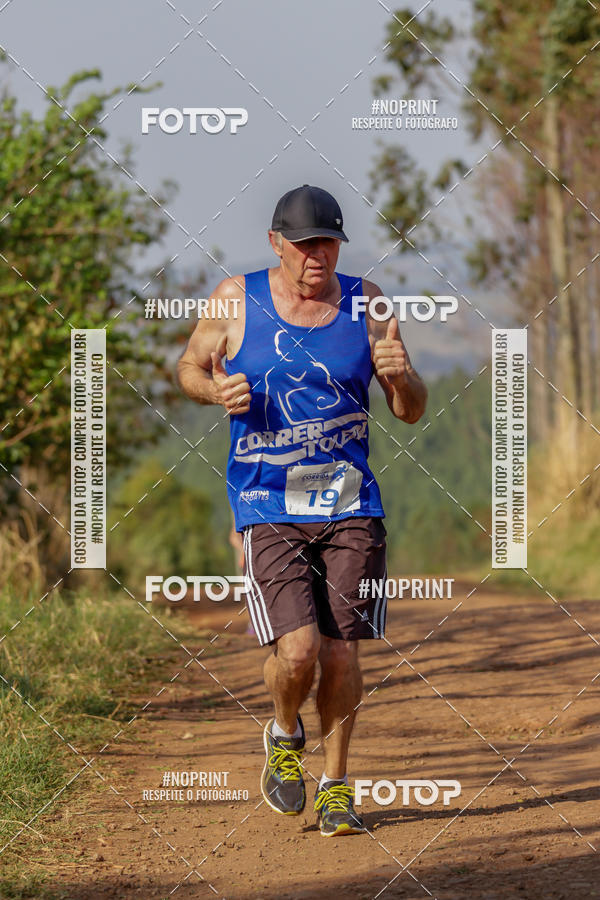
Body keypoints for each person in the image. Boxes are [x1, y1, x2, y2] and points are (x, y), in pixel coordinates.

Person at [177, 184, 427, 836]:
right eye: (305, 244)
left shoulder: (368, 304)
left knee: (342, 656)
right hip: (265, 498)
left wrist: (400, 375)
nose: (318, 256)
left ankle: (337, 786)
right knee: (298, 651)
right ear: (275, 244)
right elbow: (187, 366)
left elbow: (410, 409)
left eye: (329, 243)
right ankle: (284, 735)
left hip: (350, 500)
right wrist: (213, 387)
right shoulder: (236, 299)